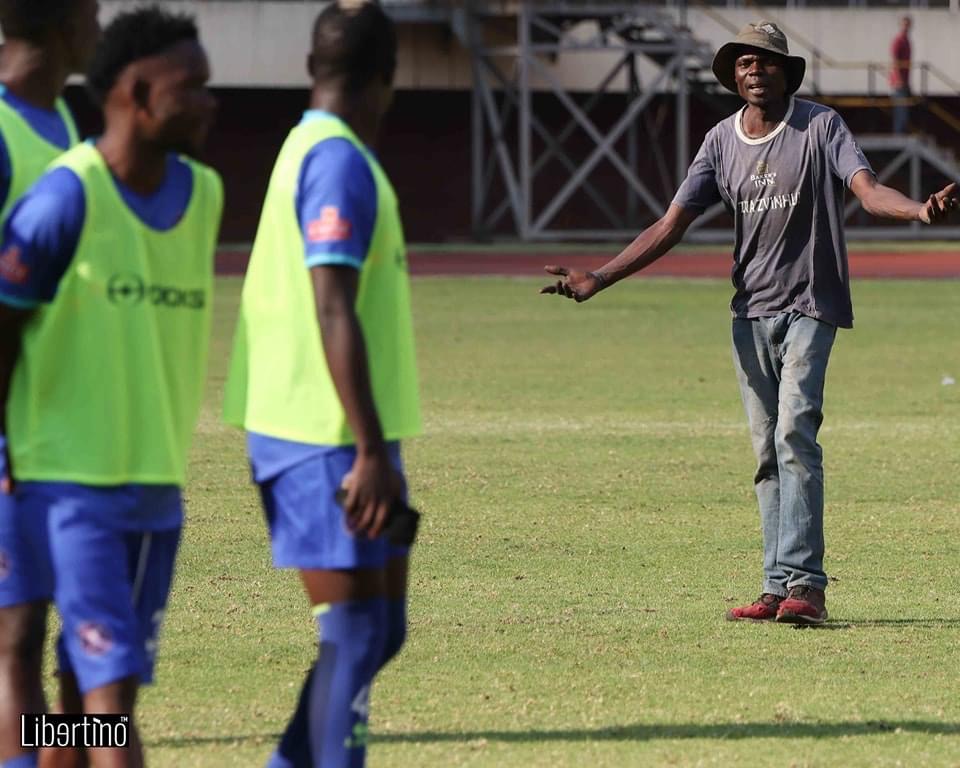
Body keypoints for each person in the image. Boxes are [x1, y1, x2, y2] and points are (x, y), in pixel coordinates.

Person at [541, 21, 957, 626]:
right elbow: (670, 225)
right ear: (733, 77)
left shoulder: (820, 127)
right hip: (750, 314)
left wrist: (919, 209)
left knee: (794, 435)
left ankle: (807, 588)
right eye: (743, 63)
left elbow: (867, 191)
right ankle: (775, 584)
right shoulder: (719, 142)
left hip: (811, 305)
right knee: (766, 452)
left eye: (765, 61)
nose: (754, 70)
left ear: (786, 72)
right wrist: (599, 278)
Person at [0, 6, 221, 766]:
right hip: (50, 467)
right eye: (193, 86)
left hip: (139, 469)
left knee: (78, 685)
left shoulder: (189, 187)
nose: (210, 101)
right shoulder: (58, 184)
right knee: (49, 658)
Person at [223, 1, 420, 765]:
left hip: (344, 435)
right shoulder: (336, 159)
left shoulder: (310, 145)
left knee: (381, 629)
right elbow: (331, 302)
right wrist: (368, 450)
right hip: (324, 439)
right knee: (356, 631)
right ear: (389, 78)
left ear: (310, 66)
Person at [0, 1, 100, 766]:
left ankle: (58, 751)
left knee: (80, 646)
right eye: (93, 11)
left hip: (69, 430)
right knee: (17, 638)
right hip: (14, 438)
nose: (101, 27)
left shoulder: (65, 122)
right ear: (64, 23)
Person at [890, 16, 912, 135]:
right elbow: (895, 60)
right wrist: (899, 79)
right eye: (904, 24)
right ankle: (898, 134)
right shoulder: (898, 40)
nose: (906, 27)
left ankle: (901, 133)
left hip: (905, 81)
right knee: (900, 110)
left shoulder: (907, 41)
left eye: (907, 25)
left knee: (904, 110)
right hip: (899, 82)